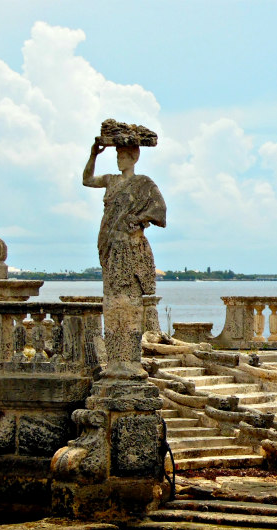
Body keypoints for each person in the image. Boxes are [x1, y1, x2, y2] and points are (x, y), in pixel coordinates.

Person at [83, 141, 166, 378]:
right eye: (118, 155)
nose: (119, 160)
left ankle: (129, 362)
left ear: (134, 157)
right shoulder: (111, 180)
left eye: (123, 156)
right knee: (112, 303)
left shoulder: (144, 184)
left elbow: (160, 210)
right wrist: (93, 155)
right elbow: (87, 180)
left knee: (128, 304)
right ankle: (116, 362)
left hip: (130, 247)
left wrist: (138, 218)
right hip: (110, 244)